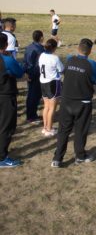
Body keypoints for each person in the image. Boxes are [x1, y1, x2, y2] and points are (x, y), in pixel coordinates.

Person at [51, 38, 96, 168]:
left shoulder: (69, 59)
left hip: (66, 101)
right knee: (80, 130)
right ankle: (80, 156)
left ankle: (57, 159)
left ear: (78, 48)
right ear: (89, 51)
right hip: (83, 103)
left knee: (63, 131)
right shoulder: (91, 64)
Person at [0, 34, 24, 168]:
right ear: (5, 45)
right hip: (5, 97)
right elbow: (19, 73)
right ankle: (2, 157)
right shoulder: (7, 60)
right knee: (6, 127)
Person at [39, 39, 64, 137]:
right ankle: (49, 129)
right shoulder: (55, 58)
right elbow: (61, 69)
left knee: (46, 106)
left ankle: (45, 127)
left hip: (43, 82)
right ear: (54, 48)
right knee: (52, 108)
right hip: (52, 83)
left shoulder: (42, 55)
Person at [23, 30, 45, 123]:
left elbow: (25, 61)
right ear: (41, 38)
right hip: (36, 74)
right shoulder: (39, 49)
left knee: (32, 95)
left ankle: (32, 114)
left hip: (30, 73)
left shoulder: (29, 47)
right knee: (34, 96)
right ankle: (31, 116)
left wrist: (26, 72)